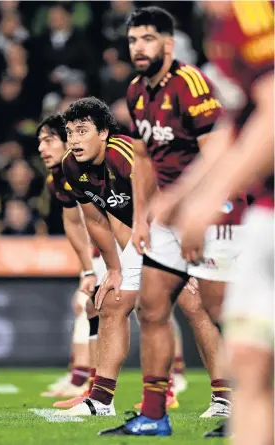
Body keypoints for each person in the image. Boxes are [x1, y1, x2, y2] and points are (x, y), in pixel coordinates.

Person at [99, 6, 246, 436]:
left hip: (214, 211)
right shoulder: (136, 92)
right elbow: (143, 157)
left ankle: (247, 405)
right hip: (167, 216)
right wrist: (143, 215)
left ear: (168, 43)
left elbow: (217, 153)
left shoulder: (191, 85)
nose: (139, 48)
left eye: (147, 39)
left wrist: (197, 209)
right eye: (133, 40)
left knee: (220, 310)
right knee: (152, 306)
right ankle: (153, 414)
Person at [52, 97, 231, 419]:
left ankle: (225, 399)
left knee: (196, 303)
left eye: (82, 131)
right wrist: (115, 269)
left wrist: (184, 265)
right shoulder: (71, 165)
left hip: (190, 216)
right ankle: (100, 401)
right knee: (113, 300)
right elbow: (96, 221)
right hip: (151, 228)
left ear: (104, 132)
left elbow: (167, 198)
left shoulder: (124, 156)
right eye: (69, 132)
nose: (74, 139)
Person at [151, 1, 274, 440]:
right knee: (249, 359)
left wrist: (211, 198)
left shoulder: (252, 15)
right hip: (264, 210)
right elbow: (234, 129)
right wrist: (183, 193)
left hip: (264, 213)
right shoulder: (222, 25)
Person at [37, 114, 103, 400]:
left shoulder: (90, 167)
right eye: (40, 142)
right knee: (87, 306)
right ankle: (87, 383)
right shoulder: (58, 178)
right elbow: (74, 222)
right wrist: (89, 268)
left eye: (48, 140)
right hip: (103, 249)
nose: (41, 148)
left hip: (127, 243)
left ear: (68, 141)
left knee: (156, 310)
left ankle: (171, 380)